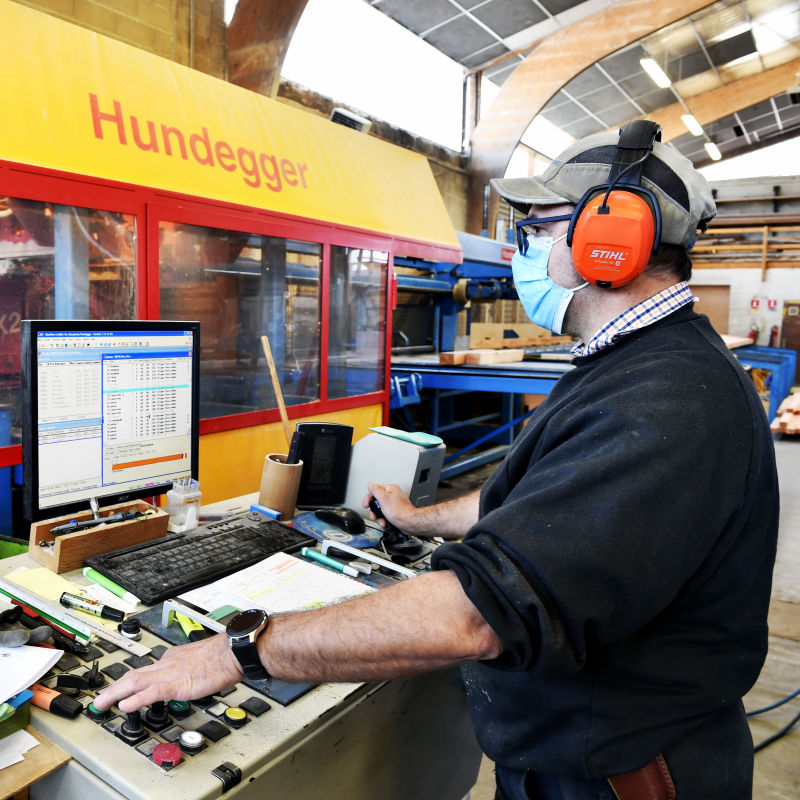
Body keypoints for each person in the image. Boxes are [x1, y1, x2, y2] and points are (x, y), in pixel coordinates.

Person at [95, 122, 779, 800]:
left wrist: (239, 649)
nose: (526, 251)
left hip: (619, 779)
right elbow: (546, 503)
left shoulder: (666, 399)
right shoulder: (638, 366)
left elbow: (476, 615)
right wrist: (422, 519)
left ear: (611, 236)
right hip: (584, 758)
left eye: (537, 228)